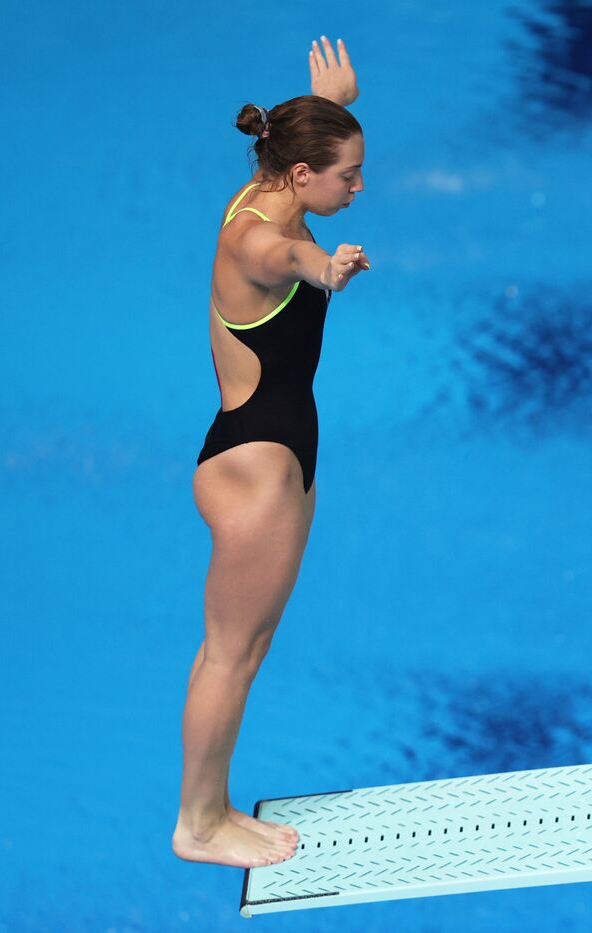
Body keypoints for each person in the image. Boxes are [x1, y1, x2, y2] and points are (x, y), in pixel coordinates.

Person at [172, 37, 369, 869]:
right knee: (230, 654)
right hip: (253, 467)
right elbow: (291, 259)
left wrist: (339, 105)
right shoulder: (263, 244)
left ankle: (213, 810)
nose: (358, 187)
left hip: (280, 452)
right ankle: (198, 823)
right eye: (348, 176)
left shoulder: (269, 179)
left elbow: (302, 146)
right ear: (302, 178)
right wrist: (331, 267)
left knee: (244, 652)